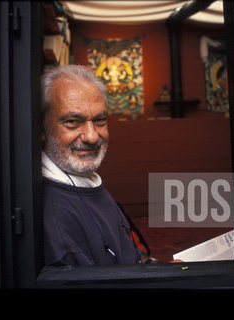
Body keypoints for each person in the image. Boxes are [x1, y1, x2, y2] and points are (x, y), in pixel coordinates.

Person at [41, 65, 150, 266]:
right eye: (73, 121)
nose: (92, 136)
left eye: (100, 120)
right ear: (41, 128)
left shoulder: (84, 178)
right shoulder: (55, 216)